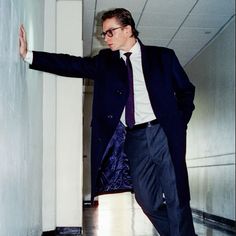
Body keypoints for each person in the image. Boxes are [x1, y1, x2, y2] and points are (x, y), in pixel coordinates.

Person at [19, 8, 197, 236]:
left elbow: (186, 91)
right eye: (104, 34)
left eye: (110, 32)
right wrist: (29, 55)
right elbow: (72, 65)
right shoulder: (106, 62)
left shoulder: (163, 57)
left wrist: (178, 122)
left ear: (128, 29)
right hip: (136, 139)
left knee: (176, 197)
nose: (105, 38)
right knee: (147, 201)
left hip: (164, 133)